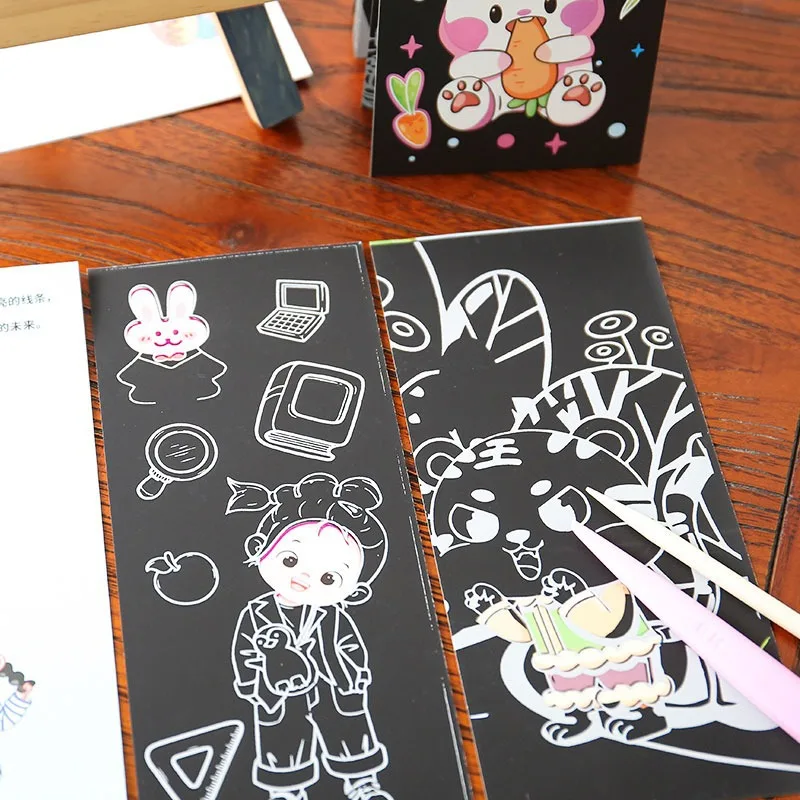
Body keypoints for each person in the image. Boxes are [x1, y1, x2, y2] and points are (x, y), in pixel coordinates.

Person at [231, 473, 393, 800]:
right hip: (278, 689)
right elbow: (244, 650)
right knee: (282, 737)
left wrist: (355, 677)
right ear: (260, 548)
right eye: (290, 560)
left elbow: (350, 646)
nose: (304, 577)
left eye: (329, 577)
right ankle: (286, 789)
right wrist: (251, 682)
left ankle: (362, 783)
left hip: (331, 683)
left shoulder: (332, 615)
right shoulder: (257, 613)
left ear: (355, 591)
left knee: (349, 730)